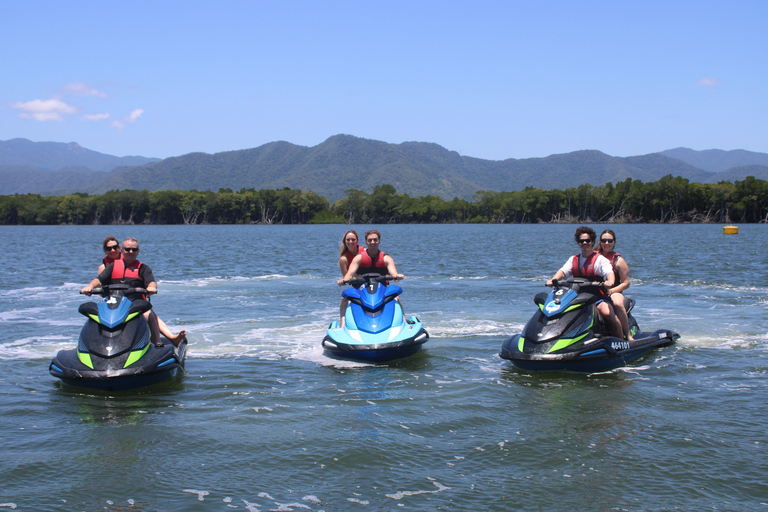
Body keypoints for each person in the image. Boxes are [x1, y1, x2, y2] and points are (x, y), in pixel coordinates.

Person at [82, 237, 185, 347]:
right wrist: (90, 286)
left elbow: (151, 282)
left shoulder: (143, 268)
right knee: (97, 315)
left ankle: (156, 343)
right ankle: (93, 345)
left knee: (148, 314)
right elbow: (99, 280)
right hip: (115, 303)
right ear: (122, 250)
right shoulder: (112, 266)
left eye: (134, 250)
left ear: (138, 251)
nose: (130, 252)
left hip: (136, 304)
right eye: (127, 249)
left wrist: (151, 288)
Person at [546, 226, 623, 339]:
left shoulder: (600, 260)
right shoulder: (573, 259)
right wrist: (554, 280)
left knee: (607, 312)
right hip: (577, 297)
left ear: (592, 242)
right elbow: (563, 272)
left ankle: (621, 340)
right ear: (578, 243)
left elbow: (609, 272)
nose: (585, 243)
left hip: (597, 297)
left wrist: (610, 282)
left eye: (588, 240)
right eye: (582, 241)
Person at [336, 230, 405, 326]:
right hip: (362, 289)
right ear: (366, 242)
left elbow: (394, 274)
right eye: (370, 240)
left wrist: (397, 276)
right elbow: (349, 274)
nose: (373, 242)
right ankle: (342, 325)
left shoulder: (386, 258)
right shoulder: (358, 258)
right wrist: (344, 280)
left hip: (382, 290)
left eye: (375, 240)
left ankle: (404, 323)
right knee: (344, 298)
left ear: (379, 242)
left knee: (396, 298)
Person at [597, 229, 633, 340]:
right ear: (600, 241)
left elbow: (626, 283)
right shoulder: (594, 257)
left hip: (614, 291)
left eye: (610, 241)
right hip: (597, 291)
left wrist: (611, 291)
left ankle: (628, 335)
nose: (606, 243)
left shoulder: (619, 261)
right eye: (604, 240)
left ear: (614, 242)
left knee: (617, 303)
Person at [337, 230, 364, 323]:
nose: (350, 242)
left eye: (353, 239)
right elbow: (347, 279)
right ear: (345, 241)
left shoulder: (365, 252)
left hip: (372, 283)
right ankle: (342, 323)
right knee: (344, 298)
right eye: (348, 240)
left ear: (357, 240)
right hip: (357, 286)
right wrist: (345, 280)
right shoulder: (344, 259)